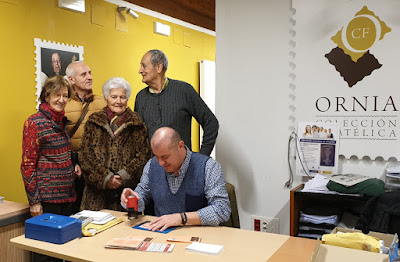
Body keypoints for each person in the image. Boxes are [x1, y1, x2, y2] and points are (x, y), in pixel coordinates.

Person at [121, 127, 231, 232]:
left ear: (180, 146)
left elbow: (222, 210)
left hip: (197, 237)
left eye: (165, 157)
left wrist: (181, 218)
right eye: (157, 156)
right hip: (161, 234)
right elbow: (142, 196)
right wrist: (131, 199)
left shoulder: (208, 166)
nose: (160, 163)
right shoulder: (151, 165)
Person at [79, 77, 152, 211]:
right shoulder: (93, 122)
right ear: (106, 98)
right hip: (96, 196)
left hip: (126, 195)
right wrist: (106, 178)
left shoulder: (137, 124)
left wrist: (123, 176)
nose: (118, 101)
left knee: (124, 231)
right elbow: (85, 156)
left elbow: (144, 156)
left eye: (122, 97)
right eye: (114, 97)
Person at [134, 49, 219, 156]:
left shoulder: (184, 91)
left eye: (144, 66)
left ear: (159, 67)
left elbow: (211, 123)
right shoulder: (140, 97)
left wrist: (202, 158)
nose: (140, 71)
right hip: (152, 168)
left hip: (182, 169)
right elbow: (137, 137)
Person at [65, 61, 105, 213]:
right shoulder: (64, 104)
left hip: (97, 166)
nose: (89, 77)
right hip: (71, 167)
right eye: (83, 74)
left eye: (90, 73)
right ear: (71, 79)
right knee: (73, 211)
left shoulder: (102, 102)